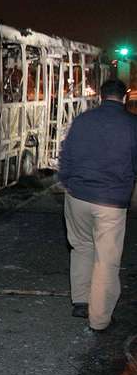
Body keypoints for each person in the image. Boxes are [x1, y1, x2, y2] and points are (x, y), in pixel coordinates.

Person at [59, 79, 137, 332]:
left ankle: (80, 302)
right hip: (111, 202)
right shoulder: (131, 124)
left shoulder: (83, 120)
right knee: (107, 258)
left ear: (101, 96)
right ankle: (100, 319)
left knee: (81, 247)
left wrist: (68, 182)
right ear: (124, 97)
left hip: (78, 196)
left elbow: (66, 154)